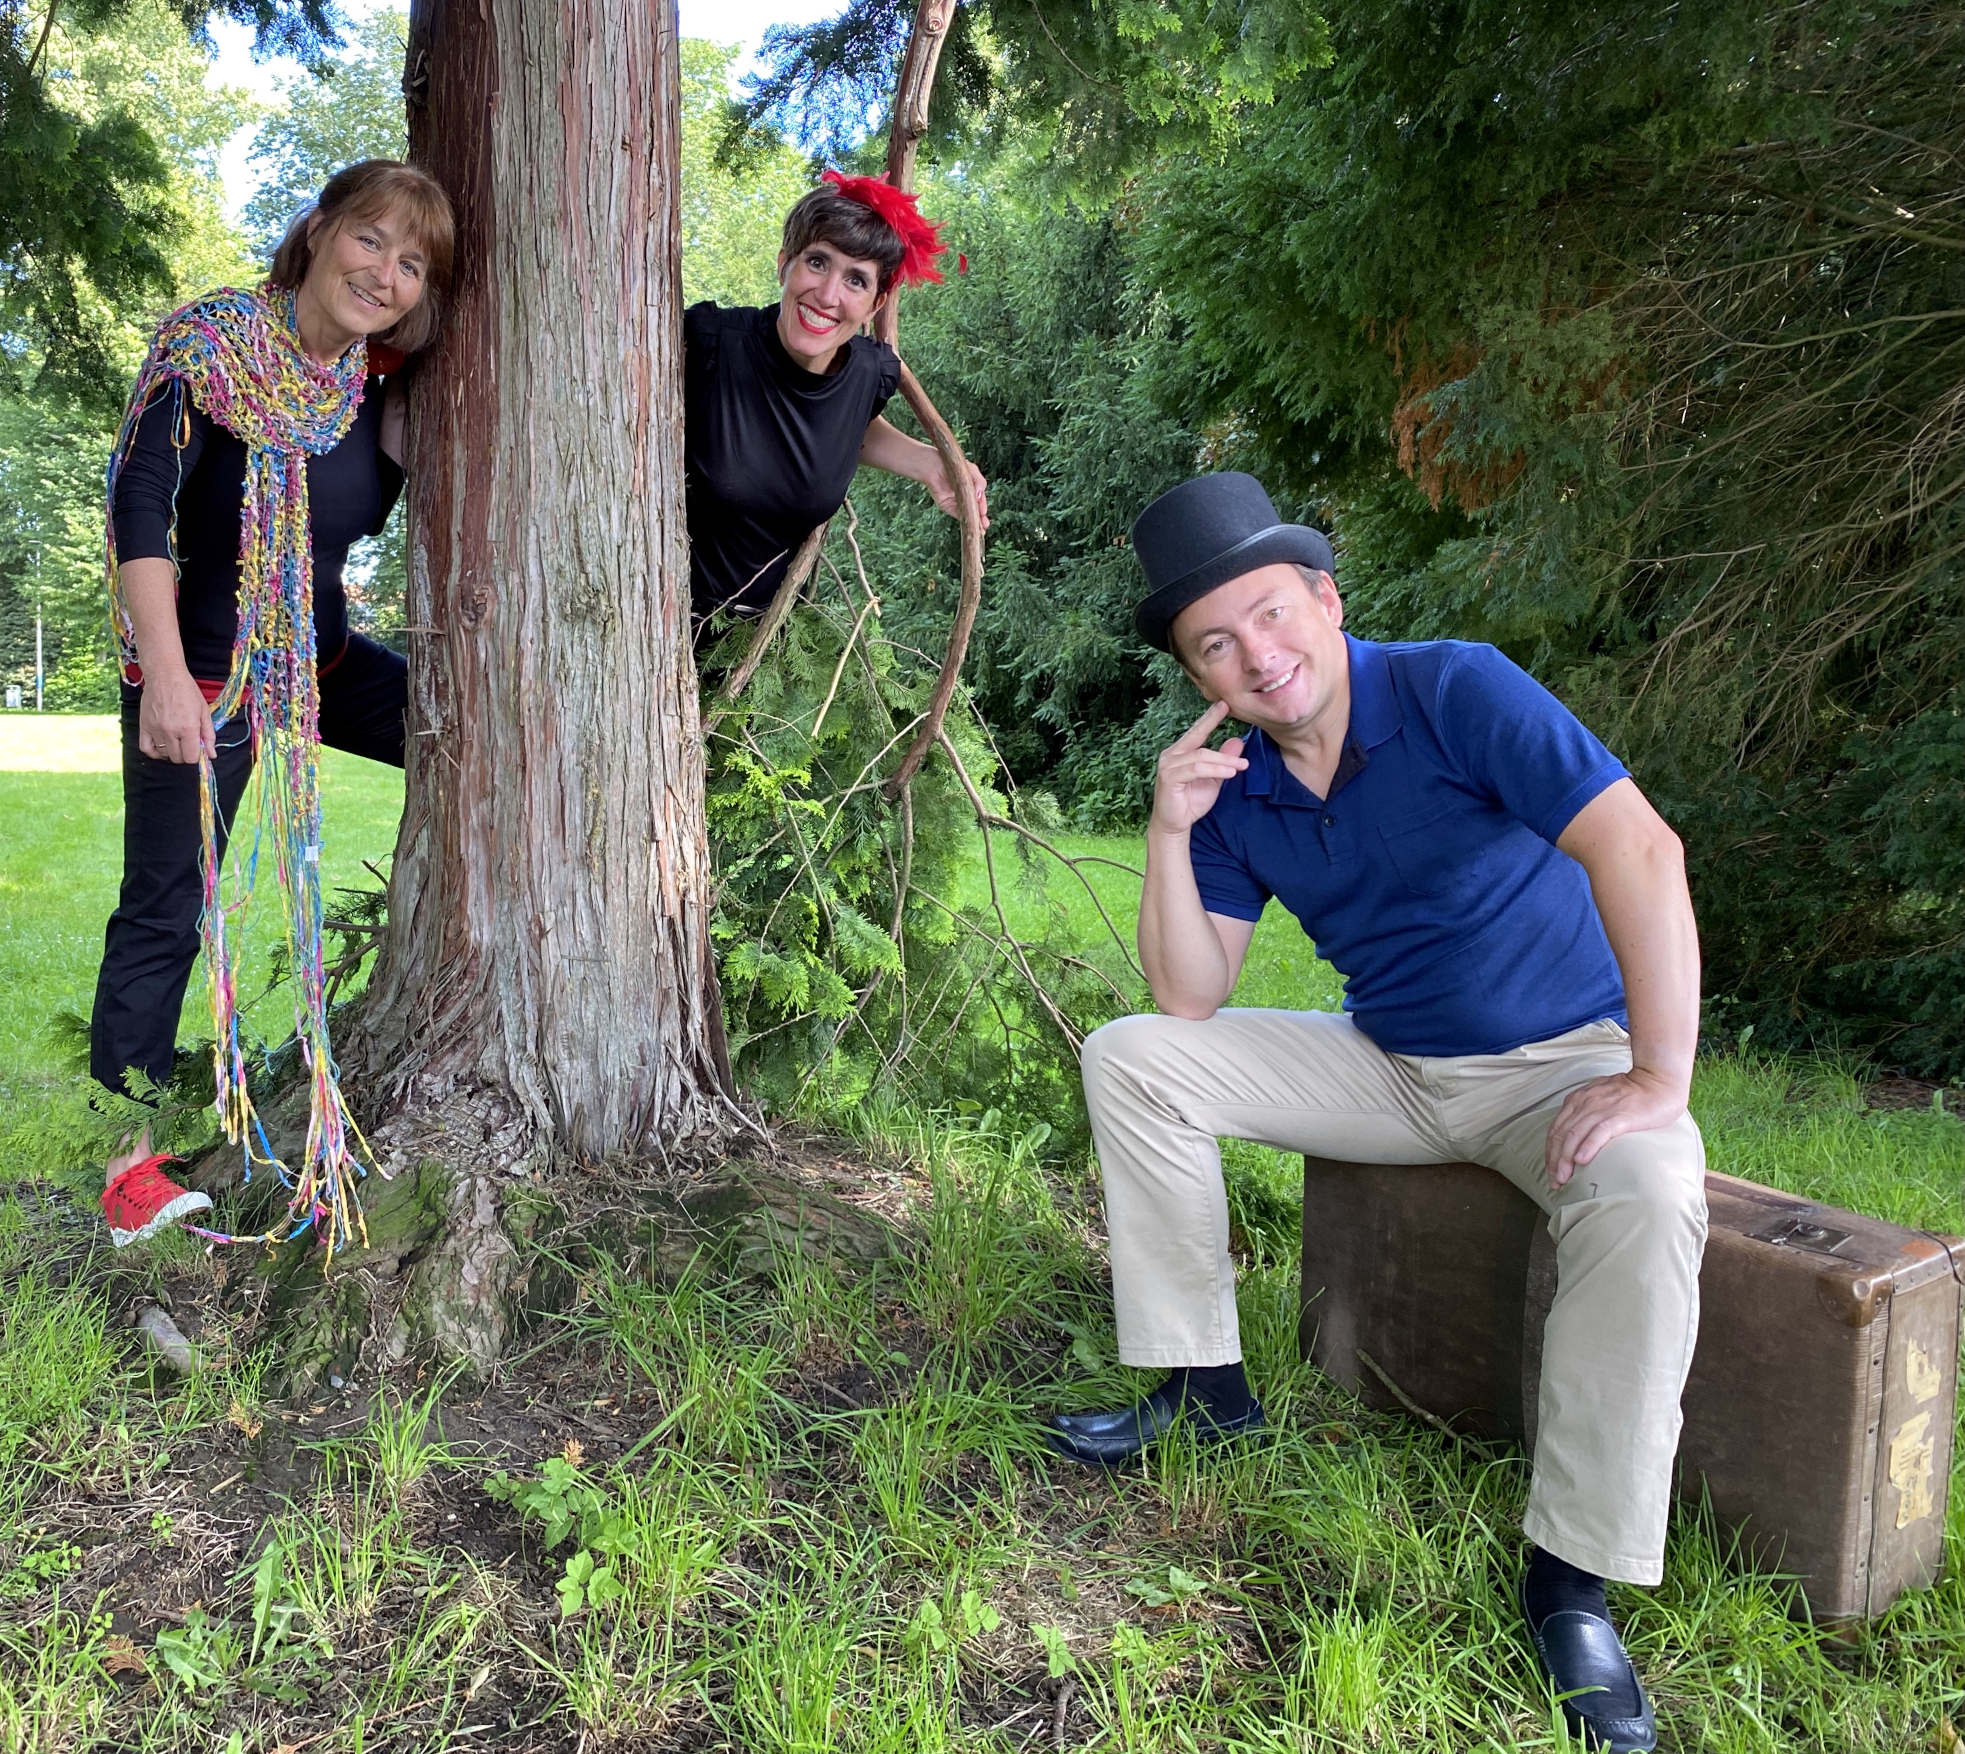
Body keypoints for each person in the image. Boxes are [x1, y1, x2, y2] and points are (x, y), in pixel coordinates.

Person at [1049, 472, 1705, 1753]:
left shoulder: (1455, 687)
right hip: (1394, 1064)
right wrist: (1170, 828)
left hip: (1562, 1061)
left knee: (1649, 1190)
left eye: (1273, 613)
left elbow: (1641, 850)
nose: (1259, 654)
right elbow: (1188, 991)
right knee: (1133, 1055)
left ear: (1325, 598)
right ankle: (1206, 1385)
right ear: (1198, 672)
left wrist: (1656, 1080)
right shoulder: (1233, 783)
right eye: (1216, 643)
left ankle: (1572, 1579)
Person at [88, 159, 455, 1248]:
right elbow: (137, 503)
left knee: (482, 737)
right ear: (320, 230)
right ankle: (127, 1168)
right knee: (165, 907)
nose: (384, 273)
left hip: (323, 666)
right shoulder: (210, 344)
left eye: (412, 263)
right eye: (370, 240)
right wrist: (159, 671)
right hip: (204, 669)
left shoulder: (367, 394)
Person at [685, 171, 986, 637]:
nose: (828, 296)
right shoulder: (708, 345)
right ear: (785, 263)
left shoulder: (868, 374)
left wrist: (931, 464)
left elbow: (844, 428)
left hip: (761, 654)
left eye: (856, 280)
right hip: (655, 635)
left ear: (876, 302)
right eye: (818, 262)